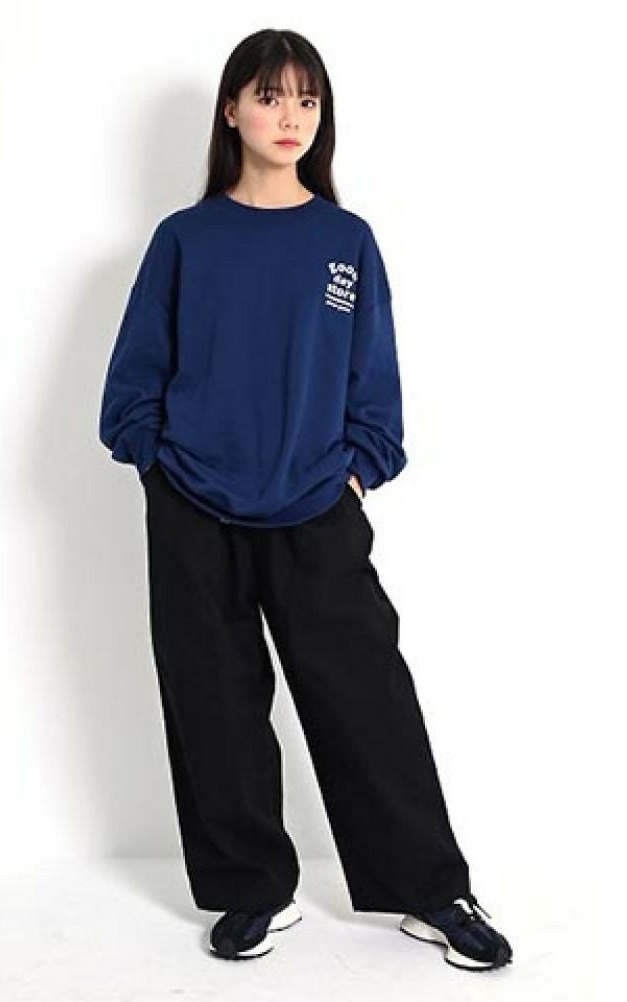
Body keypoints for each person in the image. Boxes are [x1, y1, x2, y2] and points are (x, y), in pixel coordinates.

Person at [98, 28, 513, 971]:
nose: (290, 117)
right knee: (213, 700)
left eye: (307, 100)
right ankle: (252, 889)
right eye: (270, 96)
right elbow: (132, 382)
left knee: (367, 698)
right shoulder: (185, 240)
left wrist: (358, 467)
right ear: (231, 111)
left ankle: (430, 889)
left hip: (317, 504)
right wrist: (157, 462)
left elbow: (375, 384)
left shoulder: (344, 241)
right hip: (193, 505)